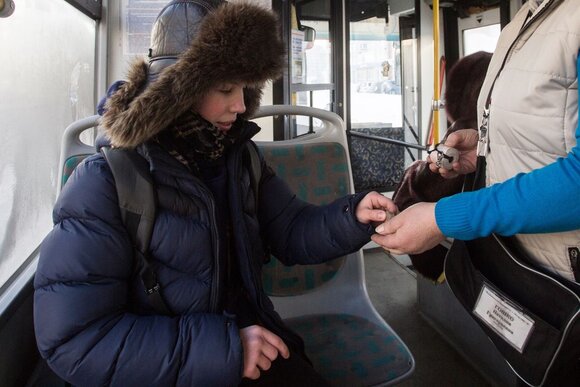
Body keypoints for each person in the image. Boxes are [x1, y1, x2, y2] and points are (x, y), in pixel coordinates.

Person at [33, 1, 395, 386]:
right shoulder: (107, 181)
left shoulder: (239, 160)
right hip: (168, 368)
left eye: (244, 89)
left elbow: (290, 228)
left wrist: (352, 217)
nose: (240, 106)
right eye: (225, 89)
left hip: (251, 344)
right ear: (178, 91)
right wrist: (226, 350)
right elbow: (76, 338)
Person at [373, 0, 580, 283]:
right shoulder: (522, 22)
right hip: (522, 262)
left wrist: (442, 218)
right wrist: (485, 147)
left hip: (567, 275)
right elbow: (548, 126)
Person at [390, 51, 492, 281]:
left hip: (444, 256)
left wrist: (416, 170)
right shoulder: (484, 132)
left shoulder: (462, 132)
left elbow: (428, 188)